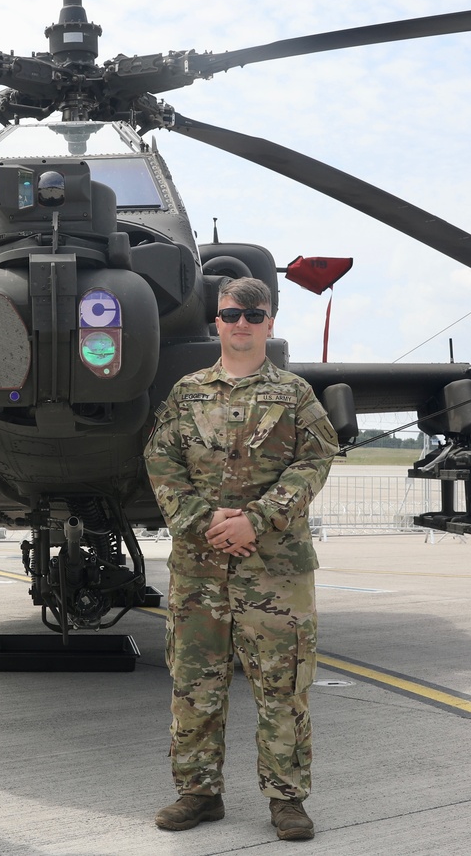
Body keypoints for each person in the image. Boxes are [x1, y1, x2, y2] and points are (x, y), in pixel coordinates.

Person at [145, 276, 338, 841]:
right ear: (217, 321)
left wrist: (256, 519)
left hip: (274, 570)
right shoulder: (186, 394)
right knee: (195, 683)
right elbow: (161, 462)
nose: (242, 324)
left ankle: (287, 801)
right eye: (232, 314)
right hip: (200, 570)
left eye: (254, 315)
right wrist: (206, 522)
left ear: (270, 322)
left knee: (282, 688)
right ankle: (198, 793)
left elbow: (314, 462)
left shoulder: (295, 395)